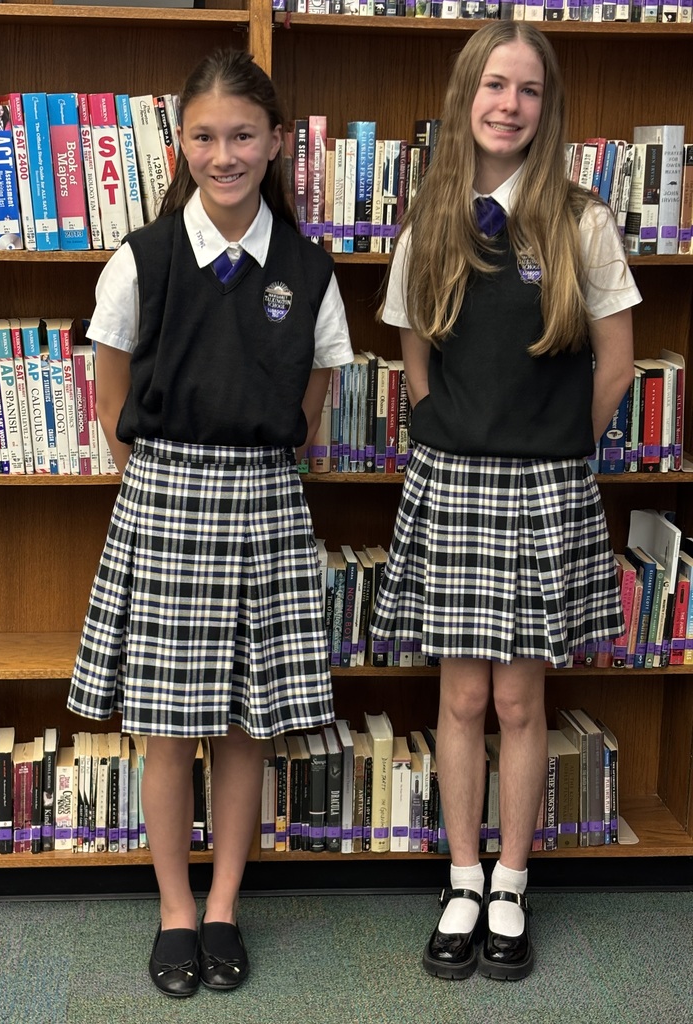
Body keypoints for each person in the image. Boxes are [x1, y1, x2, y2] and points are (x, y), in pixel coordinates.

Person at [67, 48, 353, 998]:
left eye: (242, 136)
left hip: (265, 499)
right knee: (163, 727)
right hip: (166, 500)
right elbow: (111, 384)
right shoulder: (143, 258)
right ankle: (174, 911)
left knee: (245, 725)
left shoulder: (308, 270)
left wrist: (263, 462)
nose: (223, 154)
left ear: (275, 142)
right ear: (180, 142)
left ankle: (224, 902)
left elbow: (315, 389)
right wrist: (154, 478)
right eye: (203, 136)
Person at [369, 22, 640, 982]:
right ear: (465, 97)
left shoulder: (581, 219)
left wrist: (555, 445)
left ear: (546, 106)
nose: (509, 104)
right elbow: (409, 340)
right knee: (460, 694)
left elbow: (614, 363)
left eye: (527, 89)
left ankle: (514, 881)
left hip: (542, 483)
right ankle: (462, 877)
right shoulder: (430, 218)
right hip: (452, 480)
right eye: (494, 85)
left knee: (521, 698)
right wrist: (440, 416)